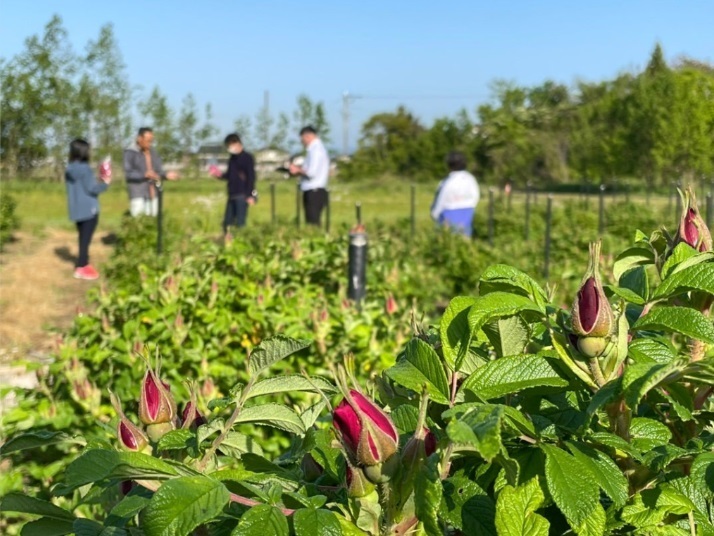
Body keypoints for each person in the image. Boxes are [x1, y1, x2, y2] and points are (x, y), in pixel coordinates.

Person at [65, 138, 111, 280]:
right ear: (84, 152)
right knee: (86, 239)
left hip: (77, 209)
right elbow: (92, 188)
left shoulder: (69, 168)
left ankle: (82, 263)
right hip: (90, 210)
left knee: (82, 238)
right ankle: (82, 266)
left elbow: (80, 187)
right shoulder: (85, 169)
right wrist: (105, 183)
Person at [208, 133, 256, 241]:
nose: (230, 148)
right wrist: (219, 175)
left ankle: (241, 243)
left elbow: (251, 177)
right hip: (232, 194)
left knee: (240, 223)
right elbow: (230, 176)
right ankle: (229, 242)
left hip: (242, 195)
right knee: (227, 222)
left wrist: (249, 195)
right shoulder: (232, 159)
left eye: (231, 145)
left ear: (237, 143)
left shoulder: (247, 158)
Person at [123, 127, 178, 217]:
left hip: (152, 192)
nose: (150, 143)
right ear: (139, 138)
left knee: (153, 220)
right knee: (139, 220)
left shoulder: (153, 153)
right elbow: (128, 174)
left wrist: (166, 175)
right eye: (147, 140)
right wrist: (144, 174)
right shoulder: (130, 153)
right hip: (138, 194)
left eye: (151, 140)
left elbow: (158, 171)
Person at [430, 151, 480, 237]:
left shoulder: (447, 182)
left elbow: (441, 200)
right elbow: (476, 196)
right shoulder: (470, 179)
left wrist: (434, 214)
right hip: (467, 213)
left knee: (448, 241)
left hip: (448, 214)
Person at [289, 126, 329, 225]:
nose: (302, 142)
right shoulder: (317, 149)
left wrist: (296, 169)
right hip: (314, 190)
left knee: (313, 223)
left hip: (314, 191)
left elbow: (311, 172)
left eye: (302, 139)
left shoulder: (315, 150)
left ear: (307, 136)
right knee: (312, 221)